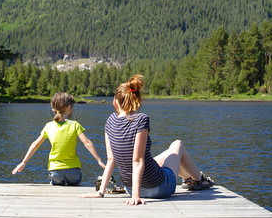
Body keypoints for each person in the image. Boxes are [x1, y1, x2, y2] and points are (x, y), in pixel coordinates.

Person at [81, 75, 213, 204]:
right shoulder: (141, 119)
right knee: (177, 145)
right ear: (137, 100)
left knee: (167, 158)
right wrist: (136, 196)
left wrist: (101, 192)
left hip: (129, 188)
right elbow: (137, 160)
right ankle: (198, 181)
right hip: (158, 188)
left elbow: (111, 159)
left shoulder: (110, 121)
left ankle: (190, 179)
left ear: (115, 102)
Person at [12, 92, 105, 185]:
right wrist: (99, 160)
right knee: (76, 181)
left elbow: (35, 144)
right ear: (68, 107)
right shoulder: (75, 125)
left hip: (55, 171)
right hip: (73, 171)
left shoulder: (48, 126)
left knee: (55, 181)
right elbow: (87, 143)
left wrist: (23, 162)